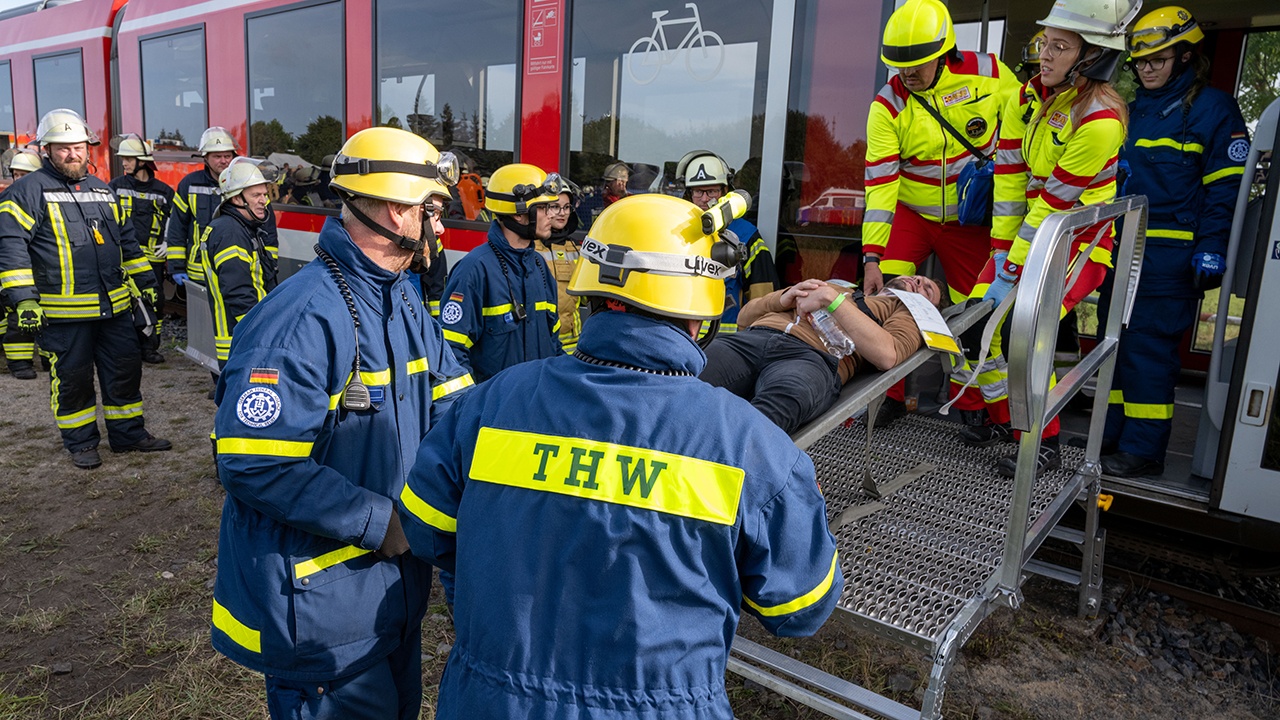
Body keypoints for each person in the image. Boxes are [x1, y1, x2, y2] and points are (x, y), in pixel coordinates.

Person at [397, 193, 841, 719]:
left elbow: (425, 529)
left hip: (491, 700)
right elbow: (800, 607)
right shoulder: (754, 446)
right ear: (700, 310)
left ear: (589, 293)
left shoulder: (489, 402)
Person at [209, 127, 473, 719]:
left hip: (387, 597)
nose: (442, 227)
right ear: (396, 210)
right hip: (324, 615)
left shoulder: (399, 296)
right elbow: (256, 462)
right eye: (434, 210)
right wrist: (383, 523)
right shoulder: (302, 319)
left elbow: (453, 398)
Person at [966, 0, 1139, 477]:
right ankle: (1006, 420)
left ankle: (1045, 442)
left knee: (1027, 335)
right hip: (1027, 238)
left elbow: (1054, 205)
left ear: (1093, 57)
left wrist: (1015, 271)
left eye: (1060, 47)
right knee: (977, 327)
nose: (1045, 54)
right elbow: (1009, 184)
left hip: (1076, 245)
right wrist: (1001, 258)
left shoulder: (1101, 119)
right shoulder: (1025, 98)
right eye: (1045, 42)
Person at [1100, 6, 1248, 478]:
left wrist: (1212, 248)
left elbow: (1225, 194)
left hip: (1169, 260)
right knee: (1115, 345)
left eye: (1157, 59)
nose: (1146, 69)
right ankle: (1114, 435)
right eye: (1140, 62)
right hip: (1118, 251)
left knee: (1148, 351)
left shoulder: (1213, 110)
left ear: (1186, 56)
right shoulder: (1132, 108)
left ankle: (1144, 450)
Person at [862, 0, 1020, 429]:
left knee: (981, 316)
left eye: (916, 65)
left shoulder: (990, 74)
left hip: (969, 223)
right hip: (910, 213)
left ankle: (980, 410)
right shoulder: (888, 104)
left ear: (943, 52)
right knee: (888, 301)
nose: (906, 75)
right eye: (898, 66)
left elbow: (1024, 132)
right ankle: (885, 396)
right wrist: (872, 256)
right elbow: (880, 183)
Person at [0, 109, 170, 469]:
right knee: (73, 379)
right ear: (46, 149)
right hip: (64, 315)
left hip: (114, 308)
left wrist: (146, 282)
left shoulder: (102, 190)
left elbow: (126, 241)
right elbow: (11, 248)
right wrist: (25, 301)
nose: (72, 154)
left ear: (87, 148)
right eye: (63, 148)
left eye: (77, 147)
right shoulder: (24, 192)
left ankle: (128, 435)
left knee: (125, 370)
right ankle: (80, 443)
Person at [702, 275, 943, 434]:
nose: (917, 280)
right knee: (687, 374)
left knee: (776, 408)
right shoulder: (841, 286)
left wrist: (831, 300)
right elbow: (744, 319)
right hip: (754, 338)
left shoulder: (906, 314)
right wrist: (783, 297)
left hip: (810, 358)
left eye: (927, 289)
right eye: (916, 277)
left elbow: (887, 355)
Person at [439, 163, 563, 383]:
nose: (551, 216)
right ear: (518, 214)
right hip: (492, 412)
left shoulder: (540, 268)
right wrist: (475, 405)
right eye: (544, 208)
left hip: (535, 407)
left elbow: (553, 345)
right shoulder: (474, 270)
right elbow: (451, 354)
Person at [677, 150, 780, 334]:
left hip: (726, 344)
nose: (704, 198)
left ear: (725, 191)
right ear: (688, 194)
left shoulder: (746, 235)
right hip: (682, 339)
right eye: (698, 191)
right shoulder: (677, 231)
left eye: (712, 191)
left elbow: (764, 298)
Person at [200, 158, 279, 370]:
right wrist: (261, 333)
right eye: (256, 195)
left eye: (264, 194)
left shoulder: (242, 227)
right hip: (243, 341)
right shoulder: (230, 232)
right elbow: (239, 291)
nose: (264, 200)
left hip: (244, 338)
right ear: (236, 199)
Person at [110, 134, 175, 364]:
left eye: (129, 159)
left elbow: (175, 221)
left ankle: (150, 348)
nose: (124, 163)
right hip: (122, 260)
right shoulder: (114, 188)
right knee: (123, 303)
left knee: (154, 303)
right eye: (124, 159)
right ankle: (128, 348)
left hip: (152, 261)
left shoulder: (164, 192)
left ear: (142, 161)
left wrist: (169, 243)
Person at [167, 127, 237, 287]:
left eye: (228, 155)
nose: (224, 160)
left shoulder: (244, 183)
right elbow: (177, 228)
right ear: (205, 158)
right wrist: (176, 266)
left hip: (235, 272)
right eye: (217, 156)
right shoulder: (189, 184)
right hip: (199, 274)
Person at [1, 149, 42, 378]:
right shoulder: (9, 199)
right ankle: (19, 364)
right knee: (18, 315)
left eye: (24, 174)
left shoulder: (43, 197)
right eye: (15, 174)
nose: (18, 180)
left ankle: (47, 359)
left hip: (41, 267)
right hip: (16, 267)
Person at [532, 175, 585, 352]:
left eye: (566, 207)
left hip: (573, 345)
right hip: (540, 343)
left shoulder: (574, 249)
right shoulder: (530, 246)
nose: (562, 213)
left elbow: (584, 296)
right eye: (555, 207)